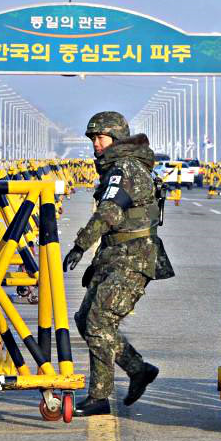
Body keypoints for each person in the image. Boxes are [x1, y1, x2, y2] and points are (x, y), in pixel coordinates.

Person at [62, 111, 175, 417]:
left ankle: (99, 397)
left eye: (101, 138)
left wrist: (79, 246)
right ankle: (138, 369)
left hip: (133, 256)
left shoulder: (124, 169)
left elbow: (110, 212)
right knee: (86, 319)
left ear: (117, 139)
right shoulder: (118, 167)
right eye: (93, 139)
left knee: (98, 323)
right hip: (115, 255)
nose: (96, 144)